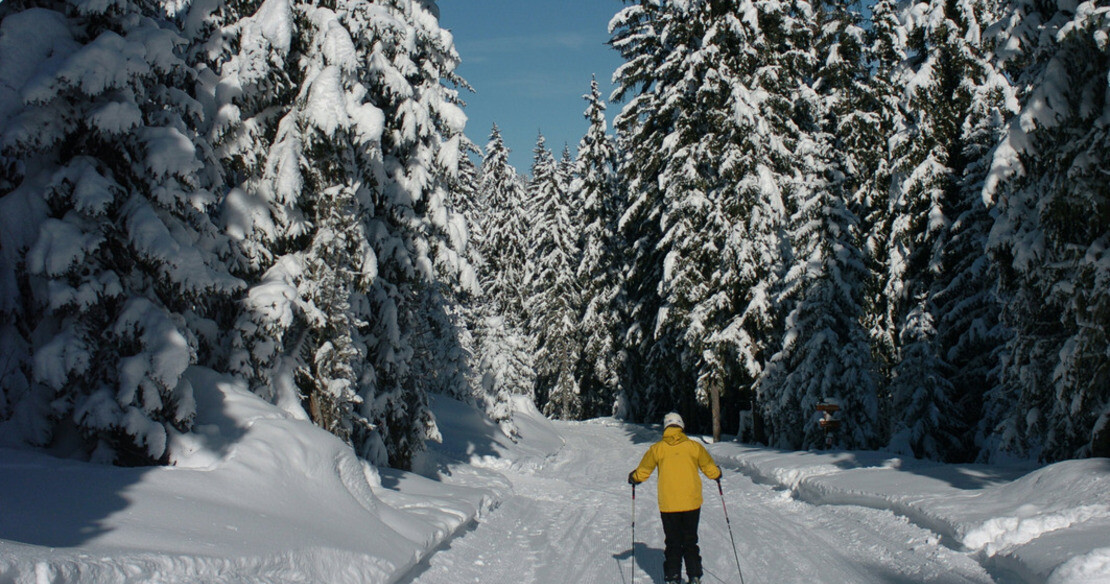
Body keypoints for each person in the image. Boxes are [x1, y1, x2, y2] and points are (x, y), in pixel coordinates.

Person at [628, 412, 722, 584]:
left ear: (665, 427)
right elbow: (709, 468)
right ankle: (694, 577)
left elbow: (644, 471)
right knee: (690, 541)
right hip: (692, 503)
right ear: (681, 426)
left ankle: (672, 578)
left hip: (669, 505)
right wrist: (717, 474)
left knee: (672, 542)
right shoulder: (694, 447)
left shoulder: (657, 449)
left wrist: (634, 477)